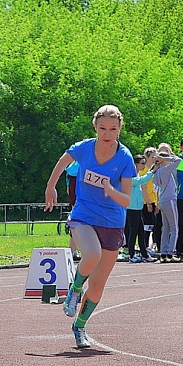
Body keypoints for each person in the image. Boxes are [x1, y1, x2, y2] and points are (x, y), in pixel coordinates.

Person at [45, 105, 135, 349]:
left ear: (120, 129)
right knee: (91, 254)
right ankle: (75, 289)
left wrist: (111, 191)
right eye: (103, 128)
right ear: (95, 127)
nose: (108, 134)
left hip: (113, 221)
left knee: (98, 284)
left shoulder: (124, 157)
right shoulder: (84, 148)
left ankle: (80, 326)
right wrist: (51, 186)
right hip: (84, 214)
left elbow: (127, 199)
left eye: (113, 129)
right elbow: (62, 162)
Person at [124, 153, 156, 262]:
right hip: (131, 208)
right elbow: (142, 180)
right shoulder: (130, 176)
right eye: (142, 163)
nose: (143, 165)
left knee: (140, 232)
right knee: (133, 231)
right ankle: (131, 255)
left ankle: (144, 255)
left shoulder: (137, 175)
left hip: (137, 208)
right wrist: (152, 171)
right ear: (136, 164)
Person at [153, 143, 181, 262]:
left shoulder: (157, 171)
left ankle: (163, 252)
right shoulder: (165, 169)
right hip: (170, 199)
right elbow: (178, 160)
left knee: (166, 228)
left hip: (162, 200)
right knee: (174, 228)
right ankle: (170, 252)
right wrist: (166, 158)